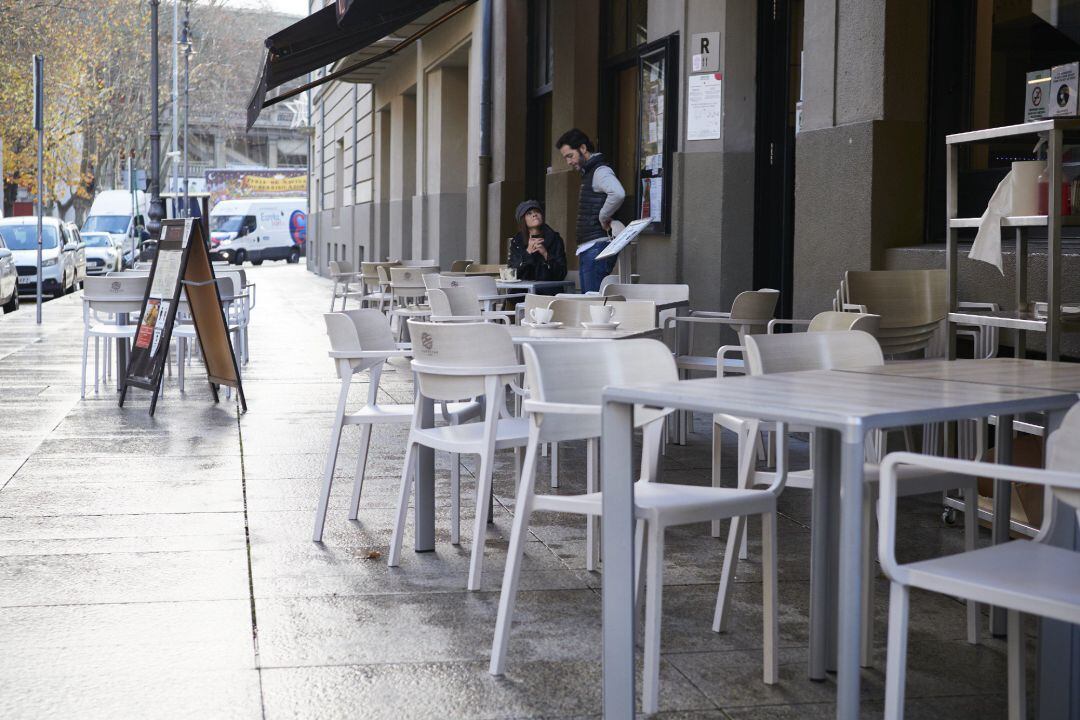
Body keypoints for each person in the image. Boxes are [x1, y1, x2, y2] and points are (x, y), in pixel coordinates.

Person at [555, 128, 625, 293]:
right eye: (565, 158)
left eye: (570, 156)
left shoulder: (600, 171)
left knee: (592, 304)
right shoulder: (591, 171)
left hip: (596, 247)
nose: (568, 162)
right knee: (592, 303)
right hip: (592, 247)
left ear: (583, 148)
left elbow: (618, 193)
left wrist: (603, 216)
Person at [507, 200, 567, 286]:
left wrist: (546, 254)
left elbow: (561, 274)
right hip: (522, 292)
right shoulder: (517, 242)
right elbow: (512, 273)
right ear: (523, 220)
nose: (534, 215)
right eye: (529, 213)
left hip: (547, 292)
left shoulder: (555, 239)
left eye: (537, 211)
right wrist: (528, 252)